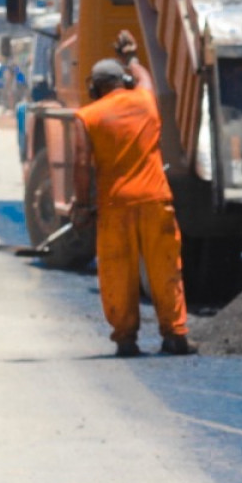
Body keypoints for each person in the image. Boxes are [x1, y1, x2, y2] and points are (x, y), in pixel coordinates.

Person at [74, 31, 192, 358]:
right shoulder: (145, 100)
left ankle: (126, 339)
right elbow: (145, 78)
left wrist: (81, 205)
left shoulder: (87, 117)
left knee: (117, 272)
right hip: (155, 200)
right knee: (165, 268)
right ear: (123, 82)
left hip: (115, 206)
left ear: (95, 88)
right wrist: (131, 57)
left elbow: (81, 166)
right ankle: (175, 334)